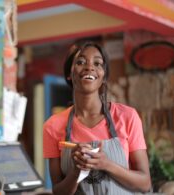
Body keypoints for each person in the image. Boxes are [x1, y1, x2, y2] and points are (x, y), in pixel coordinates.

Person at [43, 41, 151, 195]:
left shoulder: (127, 117)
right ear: (69, 73)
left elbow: (145, 183)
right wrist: (76, 171)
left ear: (104, 76)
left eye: (97, 63)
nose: (89, 67)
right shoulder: (53, 126)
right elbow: (58, 191)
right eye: (80, 62)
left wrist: (106, 164)